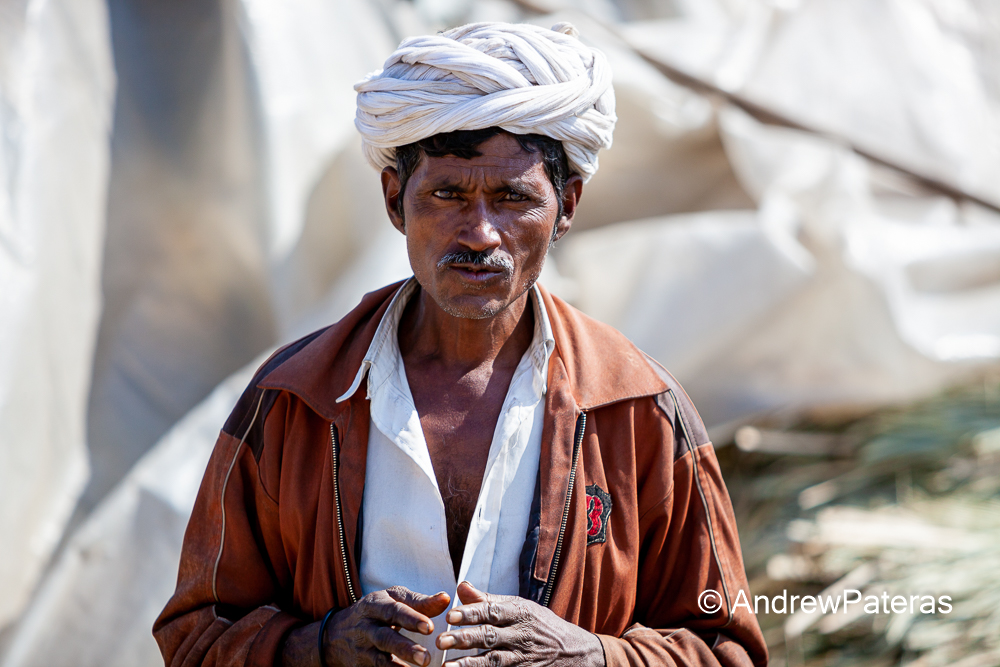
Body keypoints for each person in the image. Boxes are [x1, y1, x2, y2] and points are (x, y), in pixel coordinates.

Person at [154, 21, 767, 667]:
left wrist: (590, 656)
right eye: (447, 194)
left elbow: (726, 649)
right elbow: (196, 636)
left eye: (513, 198)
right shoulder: (294, 401)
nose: (480, 233)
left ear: (567, 206)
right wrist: (321, 646)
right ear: (396, 200)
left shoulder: (638, 408)